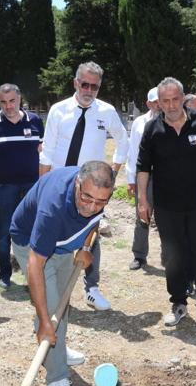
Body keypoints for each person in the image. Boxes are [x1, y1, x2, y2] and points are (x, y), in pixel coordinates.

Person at [10, 161, 114, 386]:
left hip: (63, 246)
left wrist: (86, 247)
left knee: (62, 303)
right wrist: (44, 320)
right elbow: (36, 264)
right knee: (50, 306)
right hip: (32, 245)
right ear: (77, 184)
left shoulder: (96, 194)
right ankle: (56, 380)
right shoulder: (53, 208)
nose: (91, 207)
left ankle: (59, 347)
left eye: (100, 202)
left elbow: (95, 220)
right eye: (86, 198)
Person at [137, 77, 196, 326]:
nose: (171, 105)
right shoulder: (152, 129)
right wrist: (142, 200)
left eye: (175, 99)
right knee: (173, 256)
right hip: (167, 206)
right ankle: (178, 303)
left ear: (183, 98)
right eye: (165, 101)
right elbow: (143, 167)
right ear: (159, 103)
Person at [39, 62, 129, 311]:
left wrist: (111, 174)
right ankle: (51, 288)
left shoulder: (107, 112)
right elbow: (47, 152)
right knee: (54, 236)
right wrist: (42, 186)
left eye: (95, 86)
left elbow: (123, 141)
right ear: (75, 83)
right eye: (85, 84)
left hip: (92, 187)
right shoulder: (58, 111)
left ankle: (92, 289)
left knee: (91, 236)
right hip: (60, 186)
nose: (89, 90)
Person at [0, 84, 43, 289]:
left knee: (33, 230)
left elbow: (41, 149)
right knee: (5, 230)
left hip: (32, 186)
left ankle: (31, 273)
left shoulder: (34, 121)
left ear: (19, 99)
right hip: (5, 186)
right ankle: (5, 274)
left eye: (12, 101)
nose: (8, 106)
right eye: (4, 102)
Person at [126, 87, 159, 270]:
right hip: (144, 176)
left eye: (160, 101)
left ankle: (170, 255)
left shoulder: (173, 120)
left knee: (168, 218)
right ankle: (139, 256)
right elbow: (133, 153)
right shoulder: (139, 123)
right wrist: (131, 180)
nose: (158, 105)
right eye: (155, 102)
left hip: (166, 176)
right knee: (142, 215)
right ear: (148, 103)